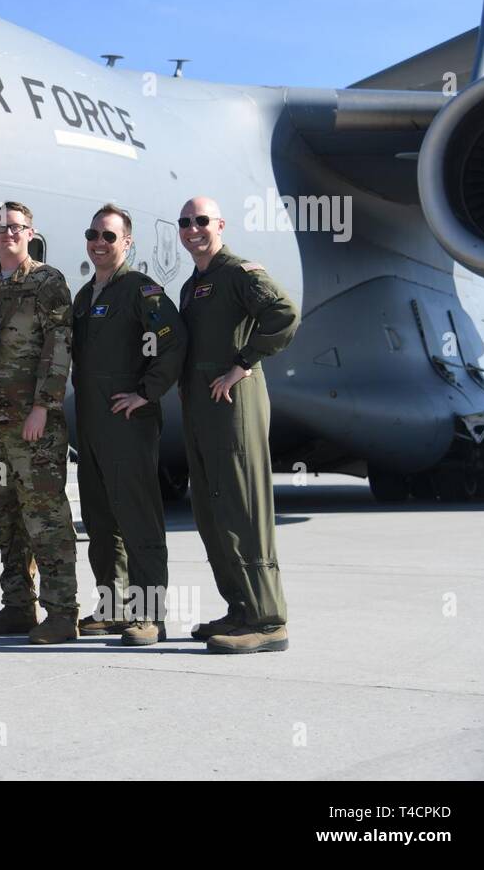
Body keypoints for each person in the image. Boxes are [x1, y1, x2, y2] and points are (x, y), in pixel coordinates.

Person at [177, 196, 300, 654]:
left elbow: (284, 314)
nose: (193, 228)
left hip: (234, 406)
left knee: (244, 508)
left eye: (201, 221)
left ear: (220, 224)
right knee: (213, 512)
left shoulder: (238, 273)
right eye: (185, 222)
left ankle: (268, 620)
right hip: (203, 411)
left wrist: (243, 363)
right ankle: (240, 608)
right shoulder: (195, 284)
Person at [71, 203, 186, 646]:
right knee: (100, 522)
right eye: (93, 234)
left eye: (109, 236)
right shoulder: (85, 296)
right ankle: (113, 606)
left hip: (129, 424)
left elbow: (173, 342)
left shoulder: (142, 291)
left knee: (139, 521)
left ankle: (148, 615)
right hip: (93, 427)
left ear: (128, 242)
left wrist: (147, 392)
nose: (99, 243)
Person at [0, 201, 81, 644]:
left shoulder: (48, 282)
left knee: (46, 518)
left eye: (16, 227)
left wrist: (44, 406)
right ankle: (18, 606)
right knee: (7, 517)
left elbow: (59, 346)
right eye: (1, 228)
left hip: (35, 424)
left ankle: (62, 612)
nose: (8, 234)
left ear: (30, 233)